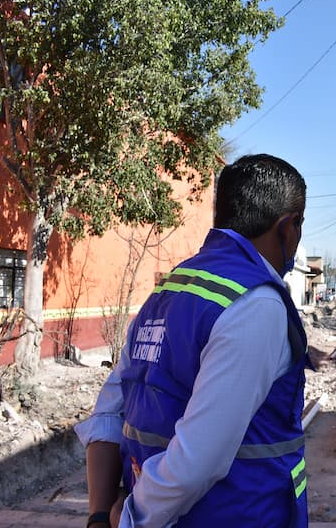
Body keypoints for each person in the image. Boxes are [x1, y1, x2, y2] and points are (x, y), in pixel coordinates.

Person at [75, 154, 311, 528]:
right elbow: (197, 461)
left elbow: (108, 411)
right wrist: (131, 520)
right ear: (286, 226)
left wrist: (100, 515)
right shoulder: (257, 303)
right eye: (300, 225)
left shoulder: (166, 292)